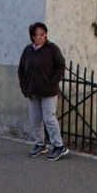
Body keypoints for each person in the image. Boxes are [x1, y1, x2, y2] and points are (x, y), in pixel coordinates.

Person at [18, 21, 67, 160]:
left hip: (48, 90)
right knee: (35, 119)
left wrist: (52, 82)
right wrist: (24, 85)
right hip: (32, 90)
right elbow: (21, 69)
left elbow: (60, 66)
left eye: (43, 34)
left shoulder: (52, 49)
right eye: (37, 35)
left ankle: (59, 146)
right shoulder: (28, 50)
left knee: (49, 118)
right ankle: (40, 144)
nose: (40, 37)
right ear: (32, 37)